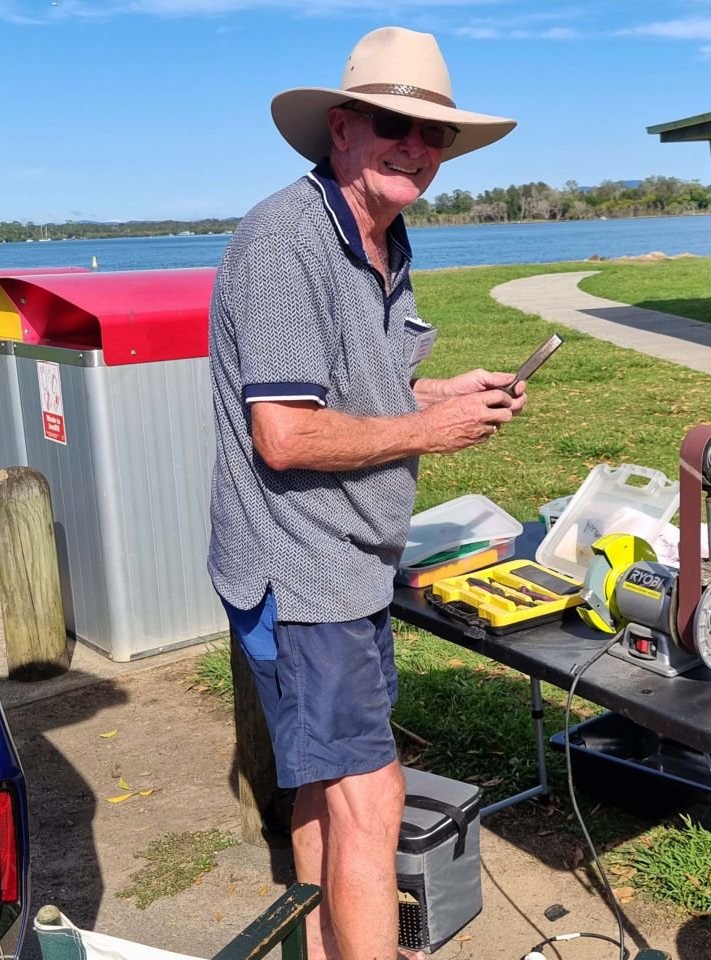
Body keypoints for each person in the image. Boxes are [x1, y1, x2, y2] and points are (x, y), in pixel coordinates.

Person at [206, 27, 517, 960]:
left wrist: (445, 393)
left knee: (322, 784)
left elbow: (357, 387)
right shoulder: (283, 243)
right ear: (340, 128)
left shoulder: (382, 237)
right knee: (370, 795)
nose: (417, 148)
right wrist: (428, 432)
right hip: (303, 573)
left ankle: (325, 946)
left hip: (353, 563)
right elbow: (287, 432)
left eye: (435, 136)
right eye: (394, 124)